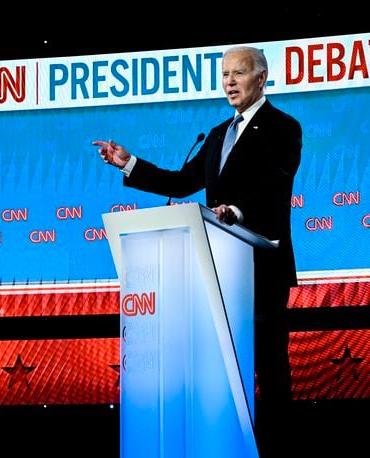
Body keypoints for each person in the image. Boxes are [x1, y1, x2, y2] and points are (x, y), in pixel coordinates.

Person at [93, 46, 301, 456]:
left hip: (261, 266)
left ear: (261, 78)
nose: (229, 82)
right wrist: (128, 163)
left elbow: (276, 183)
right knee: (221, 368)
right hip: (216, 268)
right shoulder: (220, 133)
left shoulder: (284, 127)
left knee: (270, 369)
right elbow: (182, 181)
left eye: (238, 73)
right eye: (224, 74)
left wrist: (235, 212)